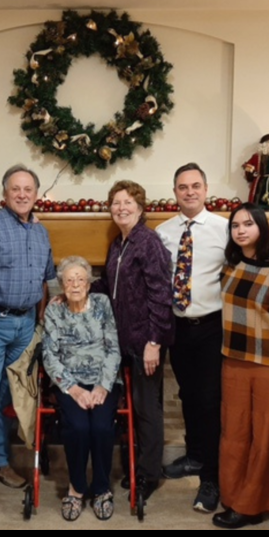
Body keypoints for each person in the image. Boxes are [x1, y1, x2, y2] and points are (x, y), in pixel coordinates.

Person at [0, 164, 57, 515]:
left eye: (28, 190)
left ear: (35, 194)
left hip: (26, 326)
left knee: (9, 400)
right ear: (4, 193)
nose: (22, 195)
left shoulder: (41, 231)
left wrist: (41, 321)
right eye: (15, 189)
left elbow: (46, 279)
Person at [212, 202, 269, 529]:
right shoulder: (230, 266)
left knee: (267, 434)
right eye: (235, 225)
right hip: (233, 360)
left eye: (248, 224)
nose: (240, 230)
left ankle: (253, 505)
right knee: (234, 432)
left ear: (261, 227)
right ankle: (234, 496)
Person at [91, 180, 173, 500]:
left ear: (140, 208)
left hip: (145, 341)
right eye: (116, 203)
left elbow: (161, 294)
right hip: (121, 339)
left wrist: (154, 341)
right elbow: (110, 286)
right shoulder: (119, 243)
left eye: (128, 202)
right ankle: (133, 466)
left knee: (146, 408)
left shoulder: (148, 242)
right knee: (127, 407)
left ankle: (149, 475)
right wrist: (78, 290)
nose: (121, 208)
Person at [156, 162, 229, 513]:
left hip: (212, 327)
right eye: (183, 187)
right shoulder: (163, 231)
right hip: (178, 328)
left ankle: (211, 479)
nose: (189, 192)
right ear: (175, 192)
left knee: (210, 403)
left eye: (195, 186)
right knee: (187, 396)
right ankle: (195, 456)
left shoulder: (225, 228)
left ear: (205, 189)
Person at [43, 256, 122, 521]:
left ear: (89, 284)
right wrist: (73, 389)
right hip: (69, 384)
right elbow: (49, 356)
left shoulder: (102, 304)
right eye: (69, 280)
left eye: (80, 279)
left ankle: (101, 488)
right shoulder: (54, 310)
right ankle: (76, 488)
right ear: (61, 285)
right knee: (77, 427)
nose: (75, 284)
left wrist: (103, 385)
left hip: (104, 381)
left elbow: (113, 348)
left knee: (100, 426)